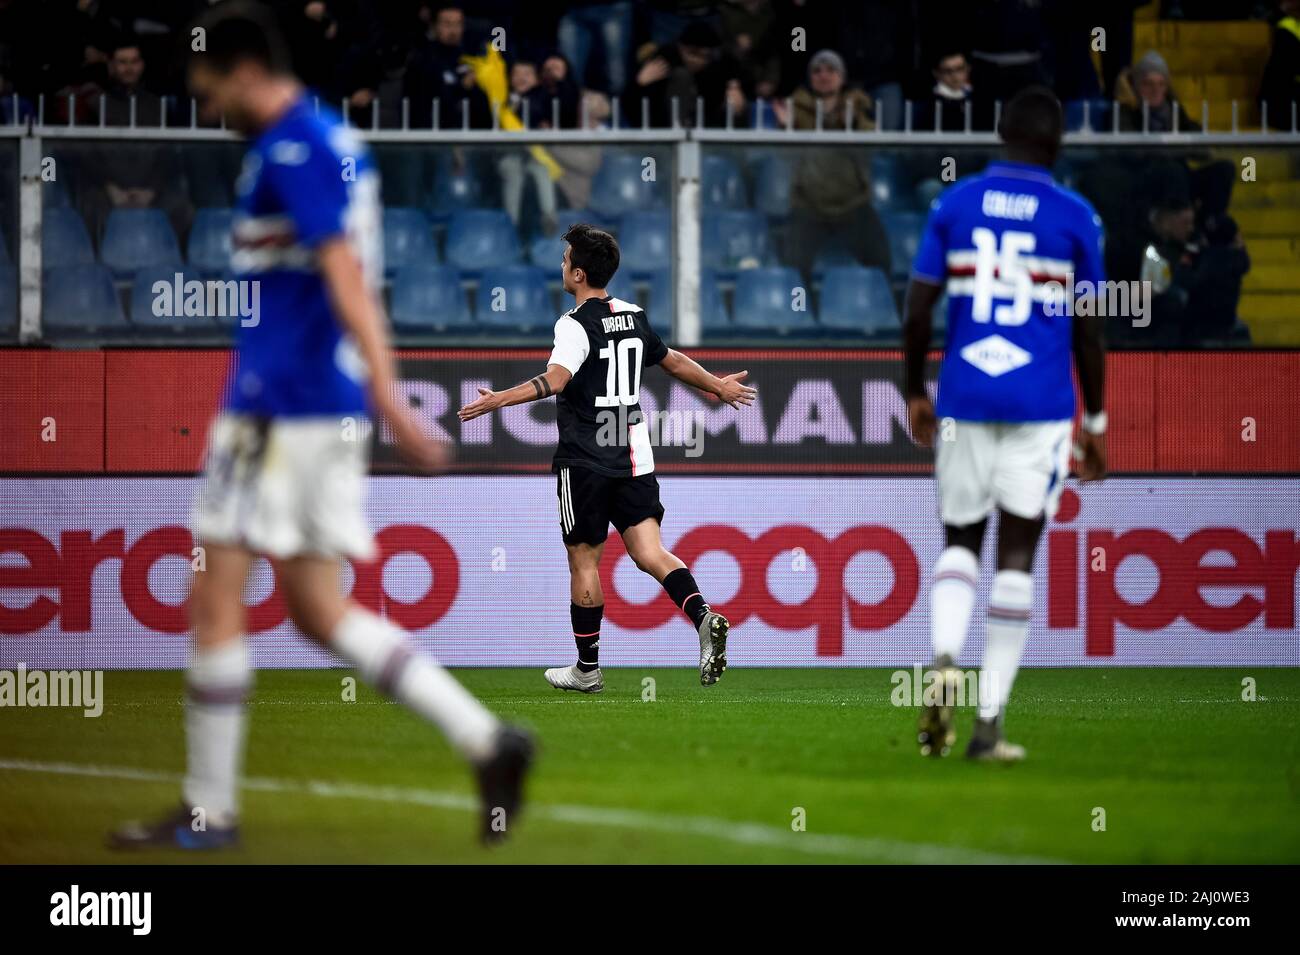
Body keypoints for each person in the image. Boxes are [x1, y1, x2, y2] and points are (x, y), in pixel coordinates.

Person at [109, 2, 532, 851]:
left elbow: (343, 274)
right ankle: (487, 739)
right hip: (318, 408)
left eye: (205, 87)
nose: (205, 106)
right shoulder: (335, 140)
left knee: (213, 600)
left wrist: (393, 398)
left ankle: (208, 811)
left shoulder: (292, 147)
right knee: (315, 608)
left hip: (279, 406)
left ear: (240, 73)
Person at [457, 224, 756, 692]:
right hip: (634, 454)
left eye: (564, 260)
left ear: (577, 274)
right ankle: (702, 616)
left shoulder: (573, 324)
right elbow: (672, 359)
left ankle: (587, 669)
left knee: (584, 561)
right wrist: (717, 385)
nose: (561, 266)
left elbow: (555, 381)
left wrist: (498, 400)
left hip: (585, 459)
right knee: (650, 552)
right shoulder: (633, 316)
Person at [902, 87, 1108, 762]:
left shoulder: (953, 205)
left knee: (960, 541)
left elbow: (918, 308)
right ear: (1057, 144)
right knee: (1017, 554)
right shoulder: (1076, 217)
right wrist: (1097, 421)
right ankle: (987, 723)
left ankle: (940, 661)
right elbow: (1090, 332)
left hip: (962, 397)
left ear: (999, 132)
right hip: (1040, 406)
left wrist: (913, 390)